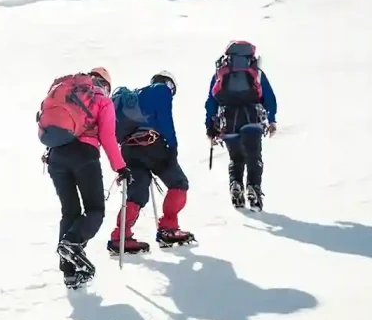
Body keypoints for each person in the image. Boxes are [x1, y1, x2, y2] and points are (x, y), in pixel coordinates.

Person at [41, 66, 129, 288]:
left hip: (56, 157)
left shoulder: (67, 91)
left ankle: (69, 273)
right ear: (106, 85)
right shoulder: (102, 100)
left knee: (70, 211)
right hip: (84, 156)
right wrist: (121, 168)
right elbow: (108, 137)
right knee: (95, 210)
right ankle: (72, 244)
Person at [110, 71, 195, 252]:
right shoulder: (161, 90)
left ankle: (120, 237)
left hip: (128, 149)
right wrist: (172, 147)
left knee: (137, 193)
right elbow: (165, 120)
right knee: (179, 183)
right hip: (152, 144)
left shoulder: (133, 98)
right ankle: (168, 228)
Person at [204, 41, 277, 211]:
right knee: (254, 156)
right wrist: (272, 119)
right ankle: (253, 188)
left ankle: (236, 185)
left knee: (236, 158)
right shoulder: (256, 72)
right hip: (252, 117)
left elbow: (211, 102)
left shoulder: (220, 72)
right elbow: (269, 97)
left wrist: (210, 127)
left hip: (228, 120)